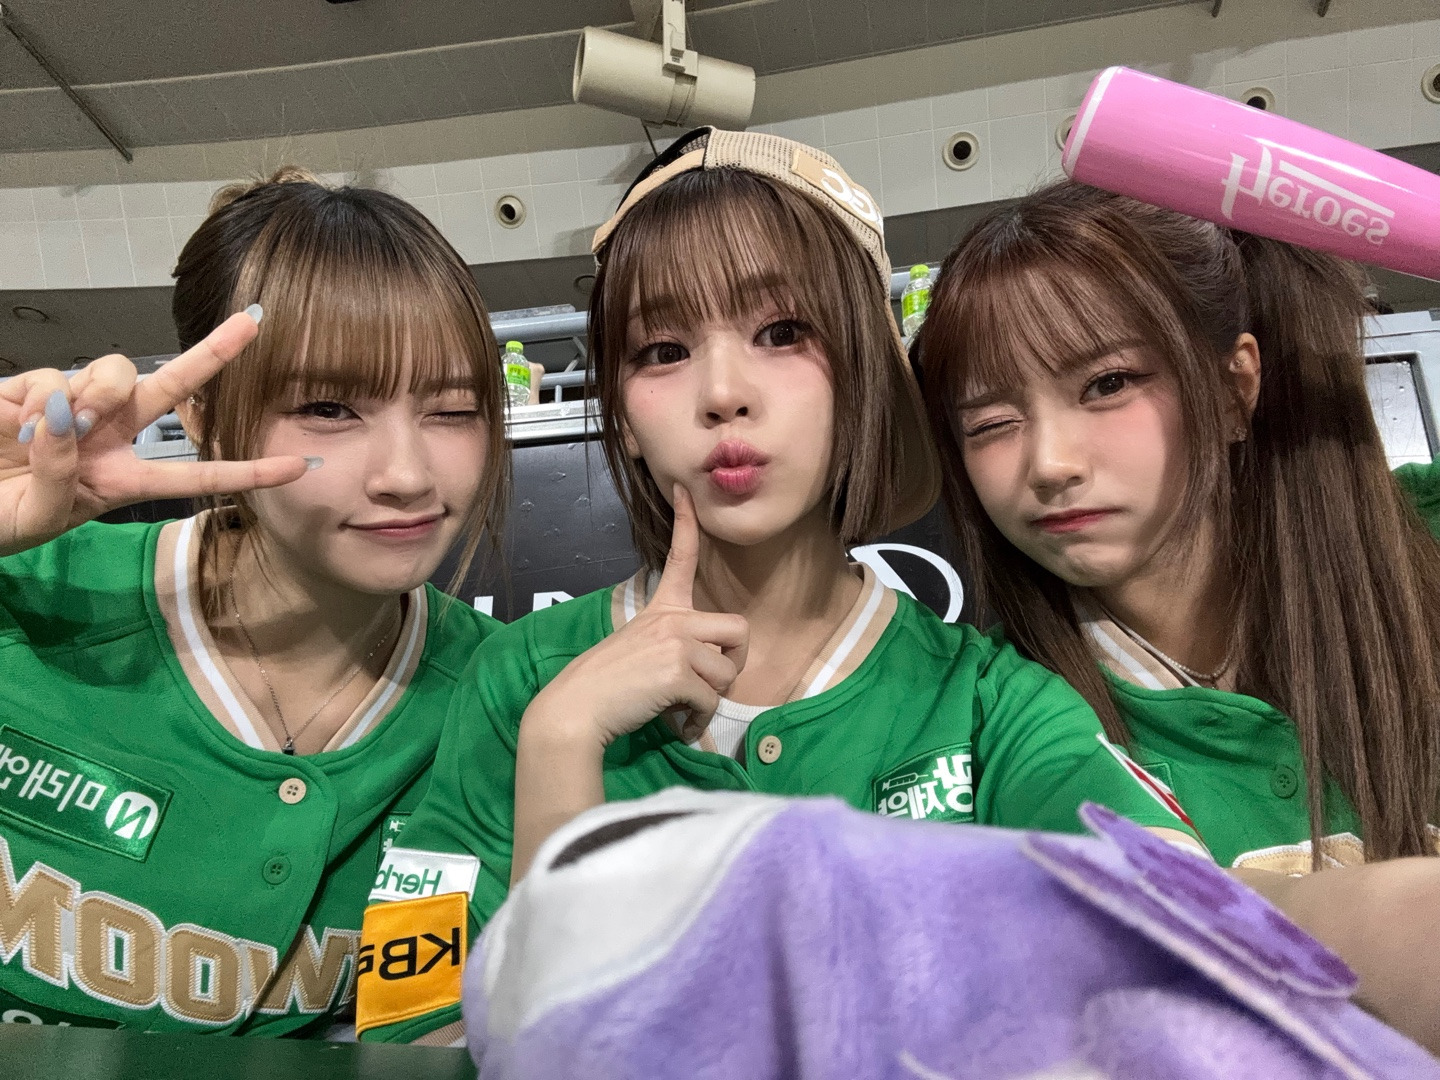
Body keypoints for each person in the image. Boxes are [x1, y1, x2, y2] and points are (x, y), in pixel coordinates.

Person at [356, 130, 1202, 1047]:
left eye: (783, 333)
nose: (723, 392)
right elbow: (404, 1033)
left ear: (864, 374)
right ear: (623, 417)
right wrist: (561, 745)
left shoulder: (984, 704)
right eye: (662, 349)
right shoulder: (522, 682)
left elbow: (1190, 953)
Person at [917, 178, 1440, 1049]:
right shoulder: (1001, 721)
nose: (1050, 463)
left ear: (1235, 387)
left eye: (1106, 384)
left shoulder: (1421, 546)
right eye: (992, 421)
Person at [0, 168, 508, 1036]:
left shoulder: (503, 699)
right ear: (204, 415)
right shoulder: (33, 593)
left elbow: (427, 1031)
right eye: (328, 407)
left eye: (453, 409)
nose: (407, 475)